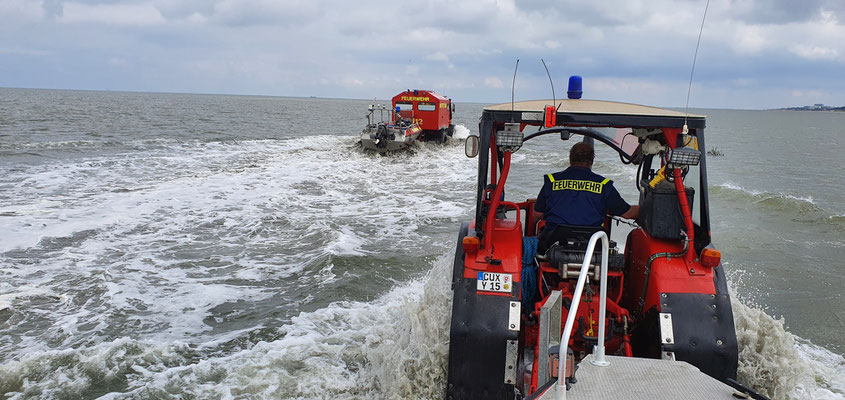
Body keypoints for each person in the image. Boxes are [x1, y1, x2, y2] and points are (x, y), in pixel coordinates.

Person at [535, 142, 639, 251]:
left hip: (552, 243)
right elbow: (627, 213)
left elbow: (537, 214)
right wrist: (647, 208)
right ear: (592, 161)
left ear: (570, 159)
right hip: (591, 246)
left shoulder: (552, 181)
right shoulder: (603, 185)